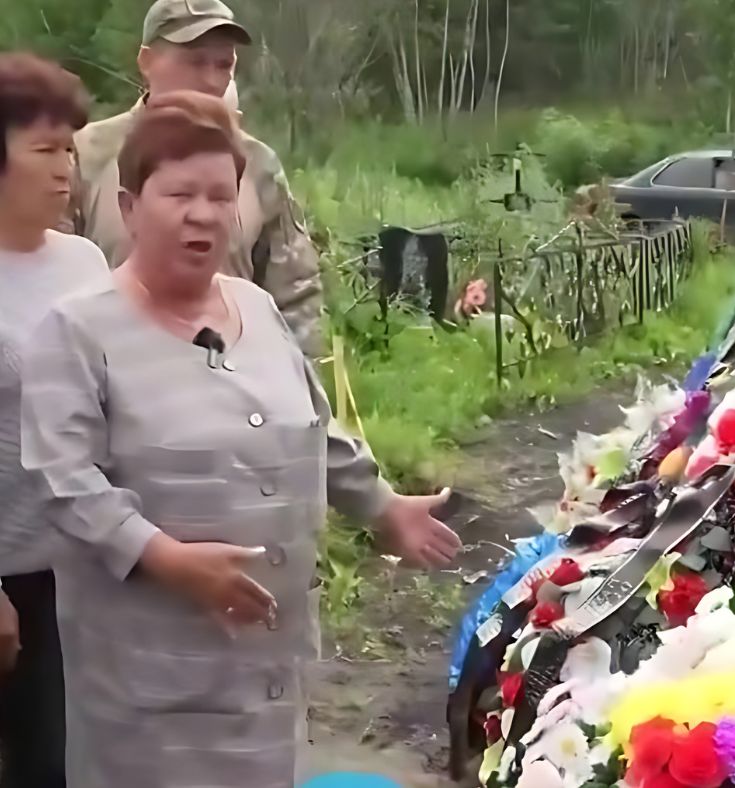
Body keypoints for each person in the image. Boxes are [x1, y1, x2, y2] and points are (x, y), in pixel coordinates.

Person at [20, 91, 462, 787]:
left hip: (266, 667)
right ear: (131, 209)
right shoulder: (78, 331)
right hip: (149, 692)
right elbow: (64, 483)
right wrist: (166, 558)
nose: (204, 214)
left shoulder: (253, 305)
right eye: (180, 194)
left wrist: (380, 503)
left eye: (221, 195)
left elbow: (314, 425)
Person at [65, 0, 325, 357]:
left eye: (224, 65)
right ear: (146, 61)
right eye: (195, 61)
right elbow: (48, 277)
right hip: (113, 378)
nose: (211, 79)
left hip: (231, 381)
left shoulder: (258, 164)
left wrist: (297, 389)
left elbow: (295, 295)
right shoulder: (86, 154)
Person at [0, 52, 107, 788]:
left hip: (80, 570)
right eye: (44, 150)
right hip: (6, 577)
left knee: (63, 764)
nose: (65, 166)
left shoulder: (85, 262)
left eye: (70, 147)